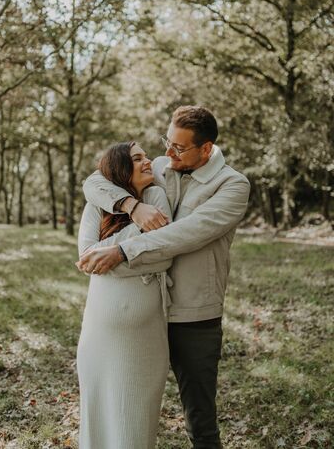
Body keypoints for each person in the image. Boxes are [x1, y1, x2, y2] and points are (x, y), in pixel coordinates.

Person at [78, 105, 250, 449]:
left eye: (179, 147)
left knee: (200, 420)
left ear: (206, 148)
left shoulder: (233, 185)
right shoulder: (160, 165)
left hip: (194, 315)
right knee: (129, 407)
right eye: (166, 142)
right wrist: (131, 206)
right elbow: (95, 181)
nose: (167, 153)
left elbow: (184, 234)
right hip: (146, 313)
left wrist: (123, 251)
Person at [76, 141, 173, 449]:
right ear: (120, 168)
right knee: (96, 422)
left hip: (142, 339)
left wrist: (114, 255)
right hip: (97, 334)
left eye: (145, 156)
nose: (148, 162)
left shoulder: (157, 195)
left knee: (134, 427)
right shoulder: (96, 205)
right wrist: (134, 236)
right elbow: (87, 258)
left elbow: (164, 254)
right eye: (137, 158)